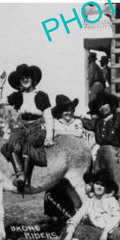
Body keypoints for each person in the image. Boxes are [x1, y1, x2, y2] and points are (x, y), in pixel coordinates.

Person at [81, 91, 120, 240]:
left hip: (117, 157)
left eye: (105, 104)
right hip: (101, 158)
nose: (102, 108)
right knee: (100, 190)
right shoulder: (98, 123)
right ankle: (103, 225)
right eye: (99, 106)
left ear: (112, 105)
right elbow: (82, 122)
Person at [0, 64, 54, 193]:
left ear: (33, 79)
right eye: (22, 78)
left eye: (28, 77)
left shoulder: (41, 95)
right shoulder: (18, 96)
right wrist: (0, 85)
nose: (25, 80)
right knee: (12, 142)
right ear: (19, 81)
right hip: (23, 126)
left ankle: (27, 180)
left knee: (28, 145)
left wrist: (49, 137)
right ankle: (20, 175)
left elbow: (49, 117)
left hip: (37, 126)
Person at [61, 170, 120, 240]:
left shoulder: (111, 200)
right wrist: (70, 233)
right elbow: (78, 216)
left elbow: (116, 217)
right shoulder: (88, 202)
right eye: (97, 184)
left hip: (109, 231)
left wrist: (105, 232)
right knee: (69, 229)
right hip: (95, 233)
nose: (99, 187)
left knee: (117, 233)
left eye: (102, 185)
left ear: (106, 188)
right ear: (93, 185)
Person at [43, 95, 83, 224]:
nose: (68, 112)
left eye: (71, 109)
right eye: (65, 110)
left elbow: (79, 134)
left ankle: (74, 213)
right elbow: (49, 134)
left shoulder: (77, 122)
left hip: (75, 159)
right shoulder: (54, 122)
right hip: (58, 159)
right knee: (54, 185)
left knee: (74, 186)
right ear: (60, 112)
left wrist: (60, 133)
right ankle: (54, 215)